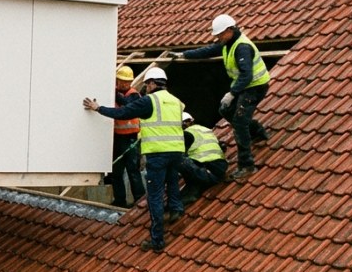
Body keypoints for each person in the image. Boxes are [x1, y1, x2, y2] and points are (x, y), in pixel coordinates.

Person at [83, 67, 185, 252]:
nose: (145, 88)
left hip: (158, 153)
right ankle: (176, 210)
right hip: (177, 151)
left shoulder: (149, 100)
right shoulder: (176, 101)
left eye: (147, 84)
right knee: (173, 184)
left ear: (153, 83)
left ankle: (157, 241)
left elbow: (123, 112)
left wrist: (98, 108)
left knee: (154, 196)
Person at [169, 14, 270, 180]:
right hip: (244, 86)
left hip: (255, 87)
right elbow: (208, 50)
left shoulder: (242, 47)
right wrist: (184, 55)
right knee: (225, 110)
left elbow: (247, 75)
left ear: (230, 30)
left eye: (220, 34)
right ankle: (257, 131)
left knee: (239, 121)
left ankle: (246, 165)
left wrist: (232, 93)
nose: (218, 38)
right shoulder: (227, 43)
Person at [110, 66, 146, 207]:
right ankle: (120, 200)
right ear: (117, 80)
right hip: (117, 138)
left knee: (133, 171)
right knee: (116, 172)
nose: (124, 84)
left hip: (131, 139)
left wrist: (115, 93)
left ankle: (139, 200)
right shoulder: (111, 93)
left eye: (127, 81)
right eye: (122, 81)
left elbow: (127, 105)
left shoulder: (134, 95)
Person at [179, 112, 227, 204]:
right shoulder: (205, 129)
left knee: (180, 160)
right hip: (220, 169)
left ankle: (192, 191)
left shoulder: (186, 135)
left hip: (208, 173)